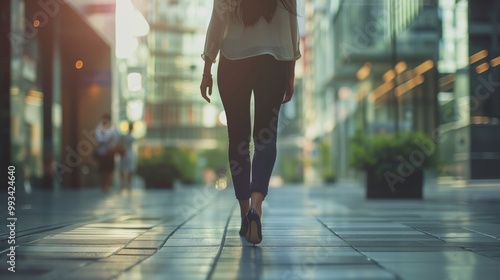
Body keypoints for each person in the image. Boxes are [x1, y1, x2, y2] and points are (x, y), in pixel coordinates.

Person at [200, 0, 300, 244]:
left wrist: (207, 68)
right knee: (266, 137)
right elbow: (292, 25)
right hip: (273, 60)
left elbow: (217, 21)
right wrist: (290, 72)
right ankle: (257, 207)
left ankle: (245, 214)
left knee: (238, 138)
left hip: (233, 61)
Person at [95, 114, 119, 192]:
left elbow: (116, 139)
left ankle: (107, 185)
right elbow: (98, 140)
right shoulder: (99, 129)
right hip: (102, 153)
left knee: (109, 170)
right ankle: (103, 184)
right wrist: (106, 140)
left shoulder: (113, 129)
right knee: (103, 170)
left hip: (110, 153)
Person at [120, 122, 136, 192]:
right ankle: (128, 184)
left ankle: (123, 183)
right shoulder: (131, 137)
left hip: (124, 154)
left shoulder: (124, 137)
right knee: (130, 169)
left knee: (123, 169)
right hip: (129, 153)